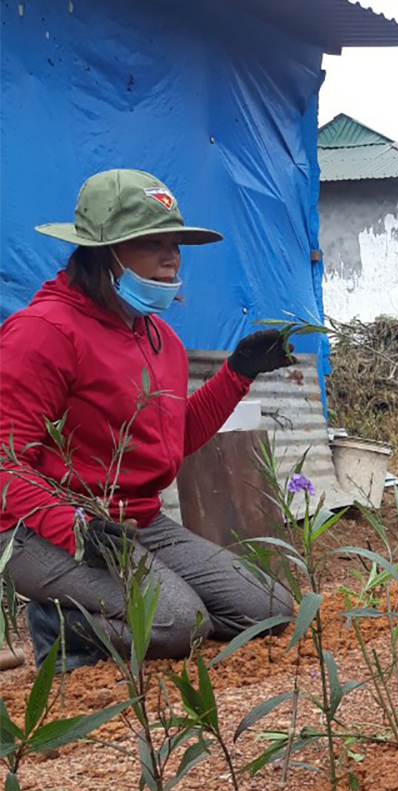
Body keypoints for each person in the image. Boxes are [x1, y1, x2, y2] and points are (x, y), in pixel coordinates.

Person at [0, 169, 296, 670]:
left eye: (176, 244)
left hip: (136, 522)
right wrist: (75, 525)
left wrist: (238, 374)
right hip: (39, 529)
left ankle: (130, 610)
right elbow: (5, 465)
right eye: (150, 243)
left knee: (269, 608)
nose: (171, 258)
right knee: (180, 623)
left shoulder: (160, 339)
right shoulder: (42, 332)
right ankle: (60, 622)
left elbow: (172, 439)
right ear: (101, 250)